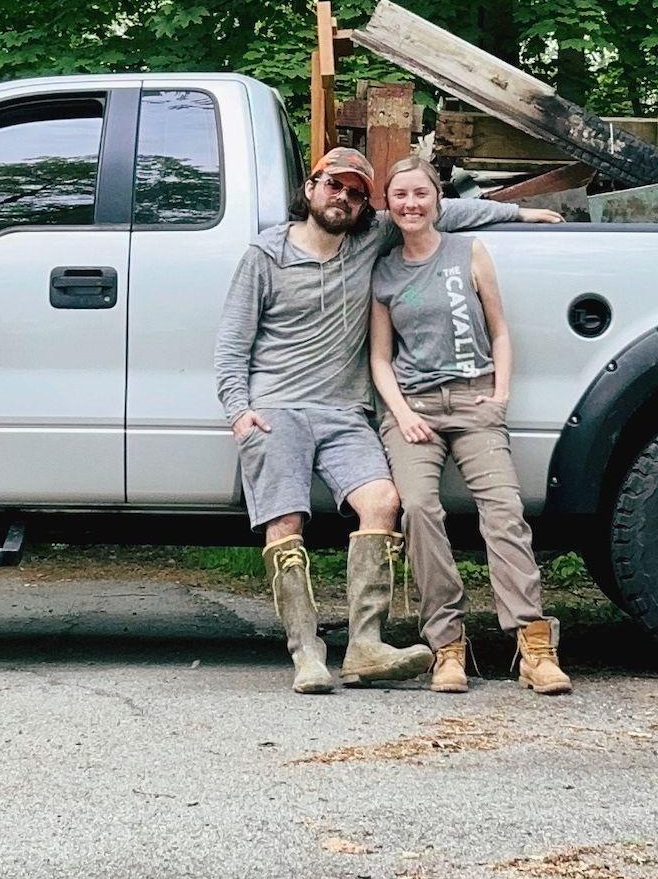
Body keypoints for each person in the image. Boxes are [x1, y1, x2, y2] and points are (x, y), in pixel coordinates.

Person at [213, 145, 559, 692]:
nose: (343, 198)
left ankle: (365, 647)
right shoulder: (266, 255)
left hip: (345, 412)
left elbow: (434, 208)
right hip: (276, 410)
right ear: (311, 189)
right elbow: (232, 345)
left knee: (383, 501)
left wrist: (518, 213)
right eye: (334, 186)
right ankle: (306, 654)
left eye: (355, 192)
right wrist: (239, 411)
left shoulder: (370, 238)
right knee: (285, 521)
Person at [370, 156, 572, 695]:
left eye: (420, 194)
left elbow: (500, 331)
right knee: (418, 509)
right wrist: (405, 415)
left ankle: (533, 645)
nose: (411, 204)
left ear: (438, 201)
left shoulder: (469, 252)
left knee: (504, 510)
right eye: (399, 197)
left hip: (475, 400)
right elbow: (380, 359)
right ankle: (447, 647)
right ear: (388, 207)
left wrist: (499, 396)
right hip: (412, 407)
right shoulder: (384, 270)